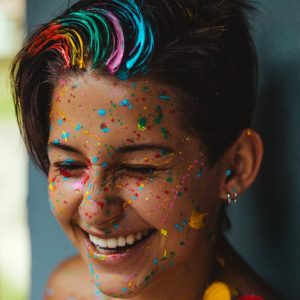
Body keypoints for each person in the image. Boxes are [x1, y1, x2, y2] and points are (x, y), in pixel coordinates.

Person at [11, 0, 278, 299]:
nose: (94, 210)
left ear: (236, 166)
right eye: (68, 165)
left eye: (140, 168)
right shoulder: (68, 291)